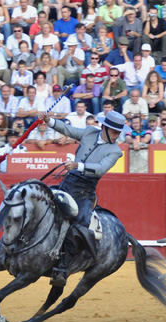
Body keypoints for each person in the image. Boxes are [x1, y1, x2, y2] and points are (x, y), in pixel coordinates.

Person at [40, 110, 130, 286]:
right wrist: (49, 121)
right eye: (115, 131)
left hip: (84, 191)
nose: (118, 135)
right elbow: (69, 130)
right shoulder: (90, 132)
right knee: (41, 202)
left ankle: (63, 268)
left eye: (119, 132)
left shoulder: (115, 151)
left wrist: (77, 165)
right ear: (105, 127)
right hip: (68, 182)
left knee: (80, 223)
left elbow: (100, 168)